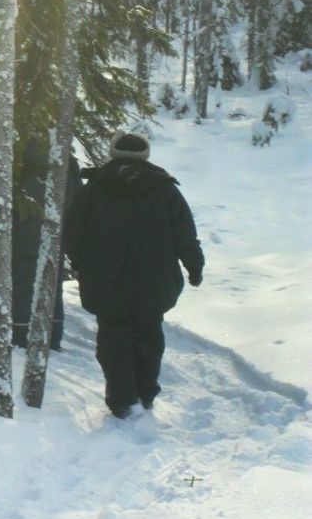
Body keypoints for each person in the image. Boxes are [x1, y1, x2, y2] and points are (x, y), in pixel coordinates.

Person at [64, 130, 205, 419]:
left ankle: (120, 397)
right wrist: (194, 267)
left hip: (104, 280)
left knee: (113, 336)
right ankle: (146, 393)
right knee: (149, 334)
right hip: (156, 282)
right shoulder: (166, 189)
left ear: (113, 153)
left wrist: (81, 265)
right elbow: (185, 236)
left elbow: (72, 234)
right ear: (146, 154)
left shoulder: (92, 189)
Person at [11, 139, 81, 350]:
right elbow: (78, 201)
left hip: (22, 231)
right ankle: (52, 336)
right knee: (52, 282)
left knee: (22, 282)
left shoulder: (19, 160)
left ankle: (21, 334)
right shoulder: (67, 162)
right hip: (55, 233)